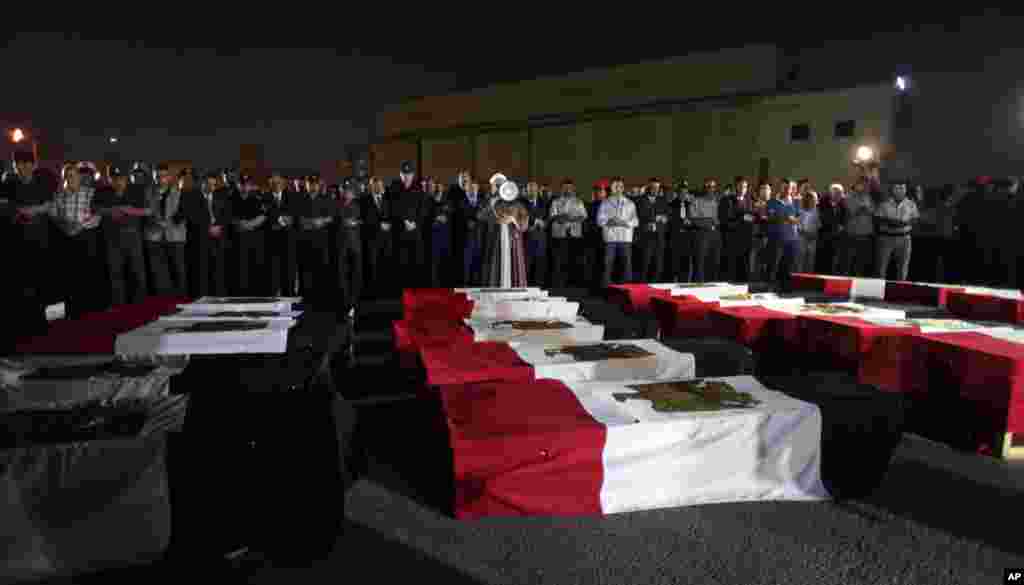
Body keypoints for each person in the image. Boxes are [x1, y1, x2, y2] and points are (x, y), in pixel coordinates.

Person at [50, 163, 104, 317]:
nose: (71, 178)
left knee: (89, 274)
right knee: (70, 275)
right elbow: (54, 215)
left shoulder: (91, 193)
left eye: (74, 175)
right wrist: (65, 226)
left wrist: (81, 226)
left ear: (79, 177)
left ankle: (91, 309)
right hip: (67, 238)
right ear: (64, 178)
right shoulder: (59, 194)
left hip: (86, 237)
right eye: (68, 176)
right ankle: (73, 310)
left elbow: (98, 215)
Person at [95, 165, 150, 305]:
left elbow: (148, 211)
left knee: (137, 271)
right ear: (110, 179)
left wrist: (130, 211)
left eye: (121, 179)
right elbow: (94, 208)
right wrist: (111, 210)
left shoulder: (137, 190)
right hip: (112, 237)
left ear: (127, 179)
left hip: (132, 235)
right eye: (114, 179)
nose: (118, 182)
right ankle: (119, 304)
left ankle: (140, 303)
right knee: (115, 273)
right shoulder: (103, 191)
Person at [186, 171, 232, 297]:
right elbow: (191, 218)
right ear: (202, 183)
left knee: (217, 271)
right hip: (200, 240)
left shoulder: (220, 197)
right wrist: (207, 228)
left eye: (213, 185)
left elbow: (226, 216)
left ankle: (218, 297)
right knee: (202, 271)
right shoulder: (192, 197)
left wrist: (219, 227)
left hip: (218, 239)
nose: (211, 188)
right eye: (208, 184)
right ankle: (202, 297)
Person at [480, 178, 529, 287]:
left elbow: (525, 223)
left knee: (514, 261)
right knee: (497, 261)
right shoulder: (496, 204)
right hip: (498, 239)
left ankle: (515, 285)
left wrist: (513, 219)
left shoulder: (519, 205)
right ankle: (496, 284)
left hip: (513, 239)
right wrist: (491, 207)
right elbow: (481, 216)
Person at [294, 173, 334, 302]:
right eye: (311, 184)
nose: (313, 186)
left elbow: (331, 217)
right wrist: (313, 223)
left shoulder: (326, 198)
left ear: (319, 184)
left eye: (315, 184)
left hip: (321, 240)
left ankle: (320, 295)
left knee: (321, 268)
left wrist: (322, 221)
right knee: (304, 268)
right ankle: (305, 296)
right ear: (307, 184)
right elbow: (299, 219)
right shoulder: (300, 198)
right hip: (304, 240)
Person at [389, 161, 426, 289]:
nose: (406, 177)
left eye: (408, 174)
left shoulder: (418, 188)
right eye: (403, 174)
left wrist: (415, 223)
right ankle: (401, 291)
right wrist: (403, 221)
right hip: (399, 231)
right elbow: (391, 208)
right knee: (400, 262)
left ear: (413, 175)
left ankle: (415, 290)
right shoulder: (394, 187)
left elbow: (423, 209)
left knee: (416, 262)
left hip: (415, 231)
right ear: (400, 174)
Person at [597, 177, 638, 287]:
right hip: (610, 238)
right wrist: (610, 221)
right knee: (608, 264)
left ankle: (627, 288)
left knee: (626, 265)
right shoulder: (605, 203)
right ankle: (606, 287)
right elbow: (599, 220)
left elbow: (635, 221)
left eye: (620, 186)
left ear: (623, 188)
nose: (618, 189)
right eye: (615, 186)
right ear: (611, 188)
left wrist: (624, 222)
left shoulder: (630, 203)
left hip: (625, 238)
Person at [230, 175, 267, 295]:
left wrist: (250, 224)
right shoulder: (231, 199)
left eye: (247, 184)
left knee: (254, 267)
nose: (245, 186)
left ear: (251, 185)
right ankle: (239, 294)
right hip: (237, 238)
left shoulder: (257, 198)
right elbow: (228, 216)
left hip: (253, 238)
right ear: (239, 185)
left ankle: (255, 293)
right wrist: (239, 223)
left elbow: (263, 216)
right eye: (243, 184)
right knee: (239, 268)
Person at [875, 180, 919, 281]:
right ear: (892, 190)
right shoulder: (884, 203)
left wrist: (906, 223)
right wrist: (891, 223)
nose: (900, 191)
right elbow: (877, 219)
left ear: (905, 190)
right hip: (886, 238)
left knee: (903, 268)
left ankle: (901, 290)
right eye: (897, 188)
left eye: (902, 188)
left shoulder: (911, 204)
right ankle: (878, 290)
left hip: (904, 238)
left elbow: (915, 219)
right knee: (881, 267)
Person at [263, 171, 298, 297]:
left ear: (283, 183)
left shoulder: (292, 196)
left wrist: (278, 221)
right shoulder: (264, 197)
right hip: (271, 241)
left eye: (279, 182)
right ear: (270, 183)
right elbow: (266, 215)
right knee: (273, 272)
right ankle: (273, 297)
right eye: (274, 182)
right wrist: (281, 220)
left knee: (289, 271)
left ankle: (289, 296)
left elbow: (293, 215)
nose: (277, 184)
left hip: (288, 240)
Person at [548, 178, 587, 288]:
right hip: (559, 234)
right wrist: (562, 217)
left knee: (573, 259)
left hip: (574, 234)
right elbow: (552, 216)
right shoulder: (555, 201)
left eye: (569, 188)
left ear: (573, 189)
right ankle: (558, 284)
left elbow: (583, 216)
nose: (567, 190)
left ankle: (573, 284)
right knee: (559, 260)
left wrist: (572, 218)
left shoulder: (578, 201)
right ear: (562, 189)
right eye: (565, 188)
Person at [765, 181, 801, 291]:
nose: (786, 190)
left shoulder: (796, 202)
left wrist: (792, 219)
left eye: (788, 188)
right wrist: (786, 218)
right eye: (784, 188)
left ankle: (784, 288)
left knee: (788, 265)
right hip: (776, 238)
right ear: (780, 188)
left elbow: (800, 218)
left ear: (792, 189)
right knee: (773, 265)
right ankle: (769, 288)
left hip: (792, 239)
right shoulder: (772, 202)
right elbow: (771, 217)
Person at [334, 181, 363, 314]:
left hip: (354, 245)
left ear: (353, 193)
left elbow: (358, 221)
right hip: (341, 245)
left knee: (355, 274)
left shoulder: (357, 205)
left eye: (350, 191)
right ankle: (345, 302)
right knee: (342, 274)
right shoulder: (338, 205)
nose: (347, 193)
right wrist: (347, 222)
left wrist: (353, 222)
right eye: (345, 190)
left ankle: (354, 302)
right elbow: (338, 221)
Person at [634, 177, 669, 282]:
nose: (655, 189)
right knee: (644, 265)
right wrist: (648, 223)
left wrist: (665, 218)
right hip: (645, 237)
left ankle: (655, 287)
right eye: (653, 187)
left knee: (658, 266)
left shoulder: (662, 200)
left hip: (659, 237)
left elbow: (668, 216)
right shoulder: (639, 200)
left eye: (657, 187)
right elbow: (636, 218)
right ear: (648, 187)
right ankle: (642, 288)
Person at [521, 181, 549, 287]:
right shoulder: (521, 202)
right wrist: (534, 221)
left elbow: (548, 216)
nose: (532, 191)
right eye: (530, 189)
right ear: (526, 191)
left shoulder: (544, 202)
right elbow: (520, 215)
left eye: (534, 189)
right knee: (526, 264)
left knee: (540, 264)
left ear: (537, 190)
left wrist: (544, 223)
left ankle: (539, 287)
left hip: (541, 237)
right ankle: (525, 286)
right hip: (526, 238)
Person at [797, 191, 821, 273]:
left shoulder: (817, 212)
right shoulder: (801, 210)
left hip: (812, 239)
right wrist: (803, 232)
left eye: (815, 199)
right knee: (801, 260)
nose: (814, 201)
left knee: (810, 261)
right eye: (812, 199)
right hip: (802, 238)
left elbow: (818, 225)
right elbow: (798, 225)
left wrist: (814, 234)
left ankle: (808, 279)